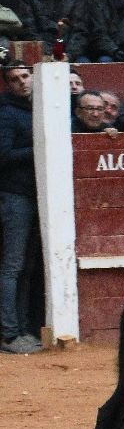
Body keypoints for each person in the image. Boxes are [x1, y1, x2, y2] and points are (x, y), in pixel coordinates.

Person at [0, 63, 43, 354]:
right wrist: (39, 147)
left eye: (25, 76)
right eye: (14, 79)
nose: (22, 82)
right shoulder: (6, 114)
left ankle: (24, 328)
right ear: (8, 85)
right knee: (13, 266)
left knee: (26, 267)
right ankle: (10, 334)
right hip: (15, 195)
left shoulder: (36, 109)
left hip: (29, 194)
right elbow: (2, 156)